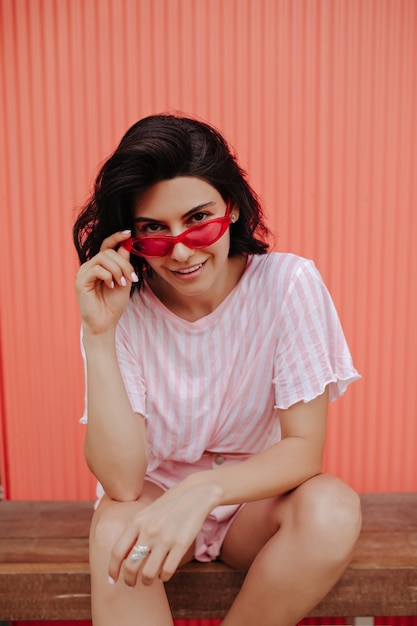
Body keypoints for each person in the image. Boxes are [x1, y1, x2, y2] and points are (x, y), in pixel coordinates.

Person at [73, 113, 362, 626]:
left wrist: (201, 492)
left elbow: (304, 450)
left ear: (230, 208)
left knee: (332, 508)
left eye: (198, 220)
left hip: (252, 507)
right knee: (117, 525)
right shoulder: (117, 309)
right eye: (154, 232)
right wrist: (99, 336)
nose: (181, 251)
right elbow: (121, 483)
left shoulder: (288, 285)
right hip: (153, 506)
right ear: (129, 239)